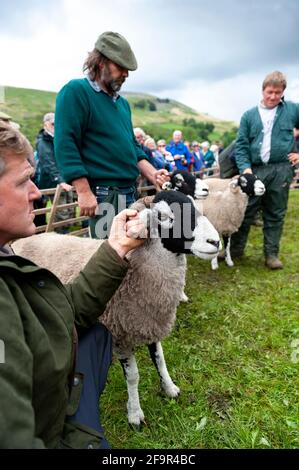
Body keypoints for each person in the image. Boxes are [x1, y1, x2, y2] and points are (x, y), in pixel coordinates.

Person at [0, 121, 146, 448]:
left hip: (51, 405)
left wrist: (116, 249)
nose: (37, 192)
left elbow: (60, 311)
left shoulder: (6, 258)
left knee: (96, 335)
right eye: (24, 181)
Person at [54, 31, 168, 239]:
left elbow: (132, 146)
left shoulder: (122, 104)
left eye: (128, 70)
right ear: (101, 63)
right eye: (121, 67)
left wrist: (152, 173)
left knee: (131, 252)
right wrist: (83, 191)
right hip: (104, 194)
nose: (126, 74)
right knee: (107, 255)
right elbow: (65, 143)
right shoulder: (76, 91)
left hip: (129, 190)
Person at [230, 71, 299, 269]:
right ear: (262, 90)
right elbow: (241, 145)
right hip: (255, 170)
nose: (273, 97)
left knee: (275, 212)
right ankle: (236, 250)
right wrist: (246, 170)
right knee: (245, 211)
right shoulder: (249, 115)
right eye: (269, 92)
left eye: (278, 93)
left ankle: (271, 255)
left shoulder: (293, 110)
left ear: (283, 92)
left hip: (281, 169)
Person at [36, 112, 74, 233]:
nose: (56, 126)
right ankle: (60, 238)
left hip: (64, 180)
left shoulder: (57, 138)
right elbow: (49, 163)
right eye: (53, 124)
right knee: (61, 211)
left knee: (69, 209)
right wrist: (60, 180)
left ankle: (65, 234)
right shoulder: (43, 141)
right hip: (52, 182)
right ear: (45, 124)